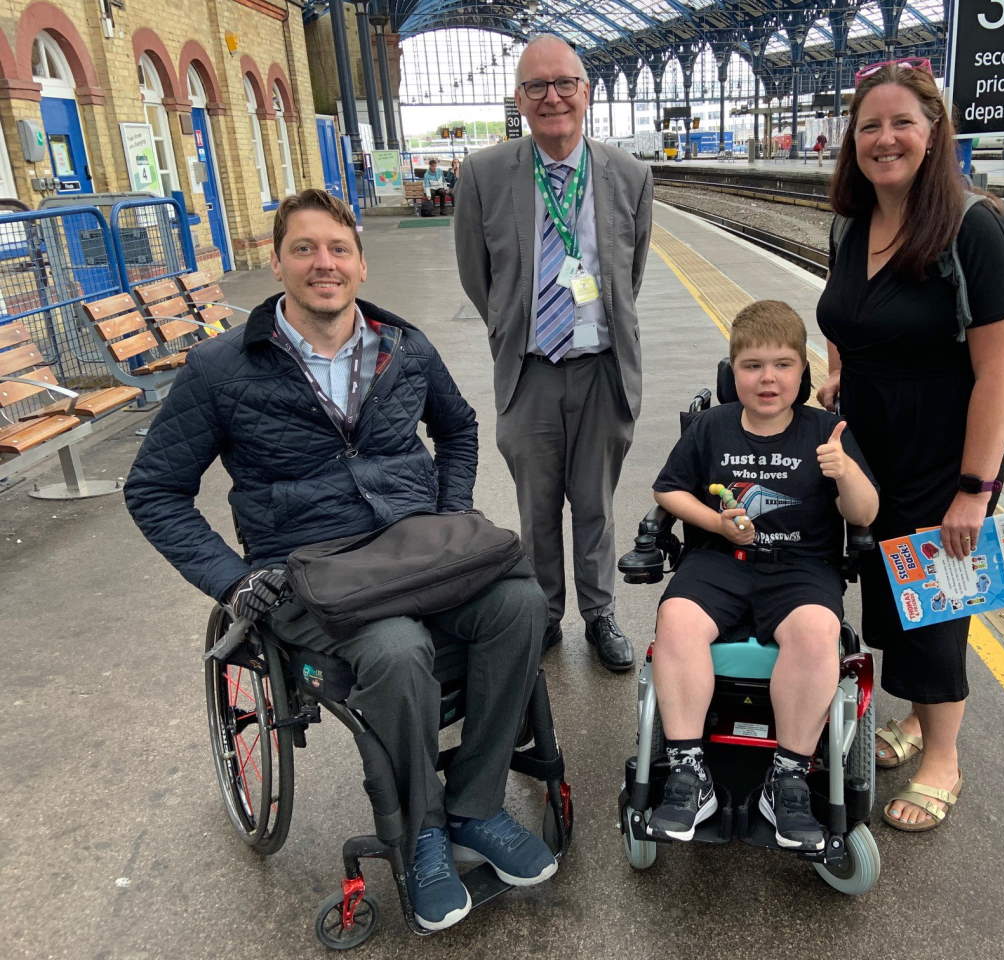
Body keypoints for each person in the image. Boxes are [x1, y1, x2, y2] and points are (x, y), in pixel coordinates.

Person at [124, 189, 556, 932]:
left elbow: (457, 428)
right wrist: (234, 580)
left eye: (338, 249)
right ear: (278, 262)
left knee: (522, 604)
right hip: (310, 570)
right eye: (305, 249)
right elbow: (155, 490)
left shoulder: (404, 345)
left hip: (418, 550)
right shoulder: (222, 368)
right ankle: (419, 834)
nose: (324, 263)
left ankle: (475, 806)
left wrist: (452, 510)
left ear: (360, 261)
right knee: (396, 648)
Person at [815, 62, 1004, 832]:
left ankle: (944, 756)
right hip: (874, 449)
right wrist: (836, 371)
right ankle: (912, 718)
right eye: (869, 125)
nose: (885, 139)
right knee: (891, 595)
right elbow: (845, 314)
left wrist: (974, 488)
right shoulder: (854, 221)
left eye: (902, 122)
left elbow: (999, 371)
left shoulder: (973, 228)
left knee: (938, 610)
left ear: (934, 131)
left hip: (948, 457)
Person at [454, 34, 654, 672]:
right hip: (531, 371)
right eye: (536, 86)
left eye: (564, 83)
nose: (552, 98)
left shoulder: (629, 175)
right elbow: (474, 274)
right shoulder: (484, 176)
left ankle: (600, 615)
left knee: (595, 501)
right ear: (519, 98)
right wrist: (514, 331)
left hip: (600, 370)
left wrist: (591, 325)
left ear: (586, 93)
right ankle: (543, 614)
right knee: (536, 507)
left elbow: (630, 272)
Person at [647, 301, 878, 849]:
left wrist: (845, 473)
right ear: (733, 373)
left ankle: (790, 776)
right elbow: (668, 489)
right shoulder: (711, 426)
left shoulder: (827, 431)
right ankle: (688, 770)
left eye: (782, 365)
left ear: (803, 372)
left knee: (817, 632)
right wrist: (715, 525)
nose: (767, 378)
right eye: (752, 366)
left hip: (801, 569)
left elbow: (865, 514)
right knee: (675, 617)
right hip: (718, 562)